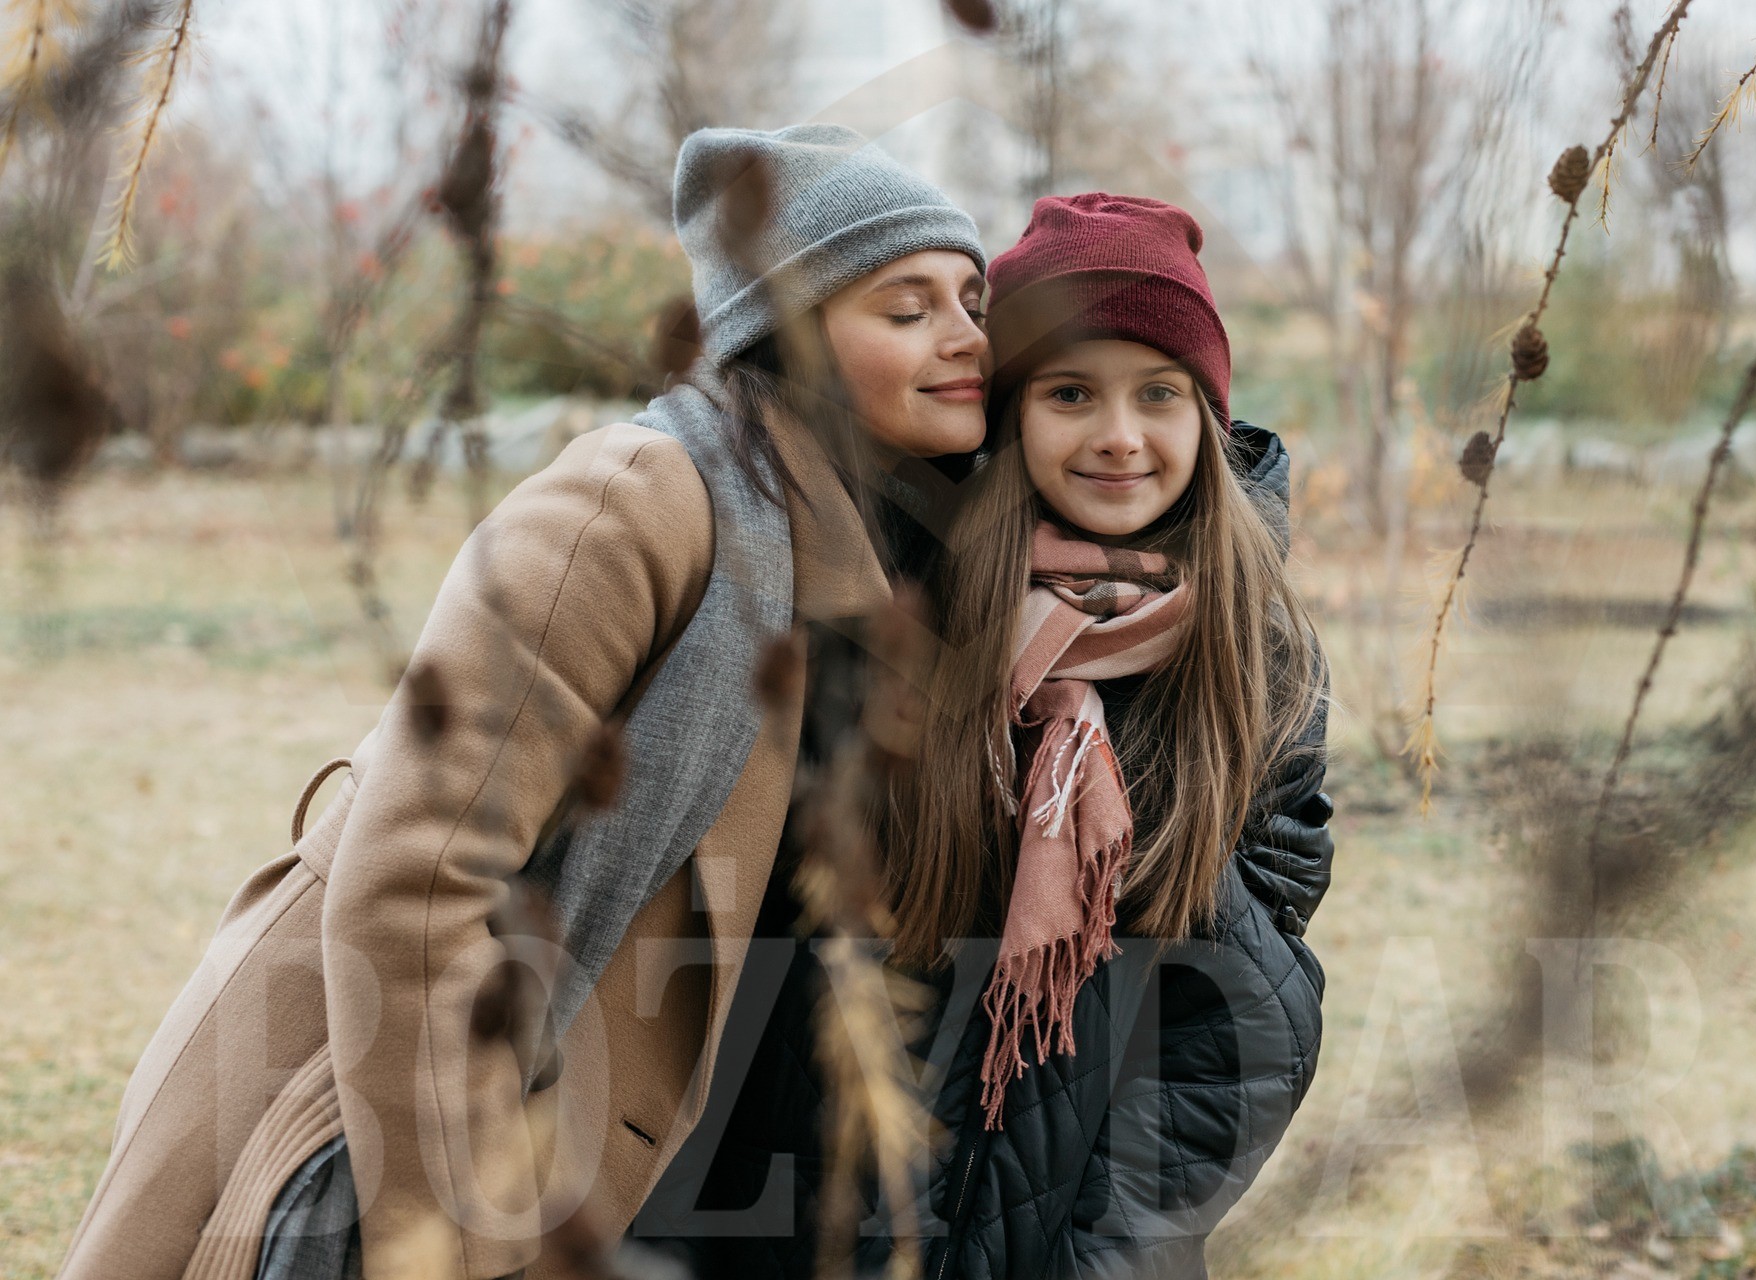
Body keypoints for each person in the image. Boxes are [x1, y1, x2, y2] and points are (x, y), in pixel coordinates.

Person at [55, 123, 991, 1280]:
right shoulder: (641, 498)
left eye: (974, 300)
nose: (966, 338)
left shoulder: (859, 556)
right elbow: (419, 873)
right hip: (358, 1100)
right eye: (908, 309)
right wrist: (469, 1232)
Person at [632, 192, 1335, 1280]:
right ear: (1009, 414)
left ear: (1206, 414)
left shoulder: (1259, 657)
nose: (1118, 435)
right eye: (1068, 392)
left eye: (1159, 393)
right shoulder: (902, 602)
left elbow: (1243, 1024)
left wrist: (1105, 1251)